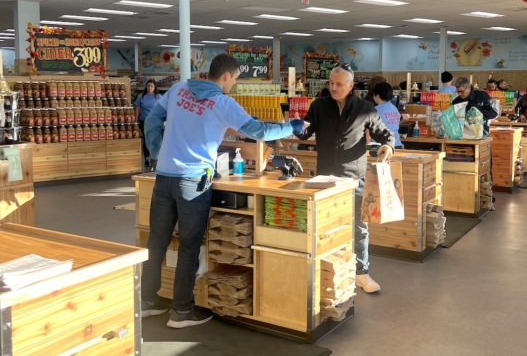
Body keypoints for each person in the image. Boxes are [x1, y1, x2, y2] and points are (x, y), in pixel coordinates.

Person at [141, 53, 305, 328]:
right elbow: (260, 132)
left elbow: (151, 121)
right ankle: (181, 311)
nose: (233, 85)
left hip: (164, 177)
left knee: (156, 242)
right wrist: (292, 126)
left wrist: (158, 151)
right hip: (192, 183)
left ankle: (147, 301)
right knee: (189, 247)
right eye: (236, 79)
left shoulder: (179, 88)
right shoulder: (222, 102)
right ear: (227, 76)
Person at [294, 62, 395, 293]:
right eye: (331, 83)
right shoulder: (319, 105)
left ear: (351, 85)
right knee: (325, 226)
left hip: (354, 178)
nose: (334, 87)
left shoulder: (365, 108)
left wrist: (388, 147)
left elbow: (384, 133)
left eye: (339, 84)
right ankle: (328, 272)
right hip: (326, 178)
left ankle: (361, 273)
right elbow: (306, 132)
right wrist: (298, 126)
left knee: (359, 228)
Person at [135, 79, 162, 167]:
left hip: (155, 121)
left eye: (151, 86)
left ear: (154, 87)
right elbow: (138, 109)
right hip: (143, 120)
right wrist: (136, 120)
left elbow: (163, 109)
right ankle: (147, 158)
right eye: (148, 86)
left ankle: (155, 157)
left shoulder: (158, 97)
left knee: (154, 139)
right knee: (146, 139)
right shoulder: (141, 96)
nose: (149, 88)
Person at [373, 82, 403, 149]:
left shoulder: (375, 110)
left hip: (383, 147)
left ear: (377, 96)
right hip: (397, 144)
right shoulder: (394, 108)